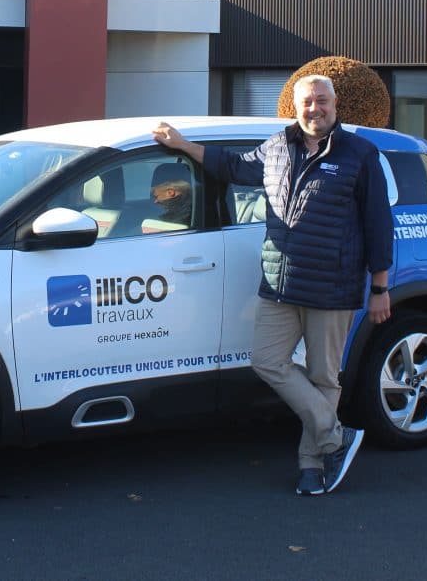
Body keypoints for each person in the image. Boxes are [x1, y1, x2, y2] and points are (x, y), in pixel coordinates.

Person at [152, 74, 392, 496]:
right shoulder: (278, 146)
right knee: (266, 361)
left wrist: (380, 287)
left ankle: (312, 464)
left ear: (335, 105)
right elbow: (232, 167)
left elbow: (378, 225)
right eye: (307, 102)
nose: (314, 108)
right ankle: (336, 436)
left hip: (331, 286)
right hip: (280, 282)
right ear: (294, 107)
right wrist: (184, 146)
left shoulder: (360, 154)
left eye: (322, 101)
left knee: (323, 376)